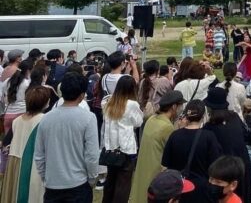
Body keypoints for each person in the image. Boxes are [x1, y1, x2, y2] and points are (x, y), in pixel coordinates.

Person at [34, 72, 99, 203]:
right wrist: (92, 179)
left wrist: (45, 177)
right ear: (82, 95)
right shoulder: (88, 118)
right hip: (78, 184)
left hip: (52, 184)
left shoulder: (46, 118)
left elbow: (39, 155)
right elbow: (92, 155)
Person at [162, 100, 223, 203]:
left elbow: (165, 165)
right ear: (203, 115)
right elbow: (215, 165)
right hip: (201, 190)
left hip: (178, 189)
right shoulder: (209, 137)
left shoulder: (175, 136)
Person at [130, 90, 185, 203]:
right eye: (180, 105)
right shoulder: (166, 127)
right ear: (174, 106)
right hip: (155, 174)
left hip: (143, 171)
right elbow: (174, 151)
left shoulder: (151, 119)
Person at [203, 89, 251, 203]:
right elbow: (246, 135)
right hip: (242, 163)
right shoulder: (235, 117)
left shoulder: (209, 127)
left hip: (225, 170)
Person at [0, 85, 49, 203]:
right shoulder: (44, 119)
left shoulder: (17, 120)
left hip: (14, 162)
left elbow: (6, 141)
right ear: (44, 102)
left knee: (14, 195)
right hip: (33, 163)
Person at [100, 74, 143, 203]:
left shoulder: (108, 102)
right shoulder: (132, 104)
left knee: (111, 182)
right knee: (123, 185)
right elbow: (138, 122)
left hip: (111, 149)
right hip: (126, 149)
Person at [1, 58, 32, 175]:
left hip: (8, 114)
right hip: (21, 114)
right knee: (18, 145)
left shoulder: (8, 81)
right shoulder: (26, 83)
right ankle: (16, 170)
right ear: (28, 70)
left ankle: (5, 169)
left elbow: (3, 95)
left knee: (7, 144)